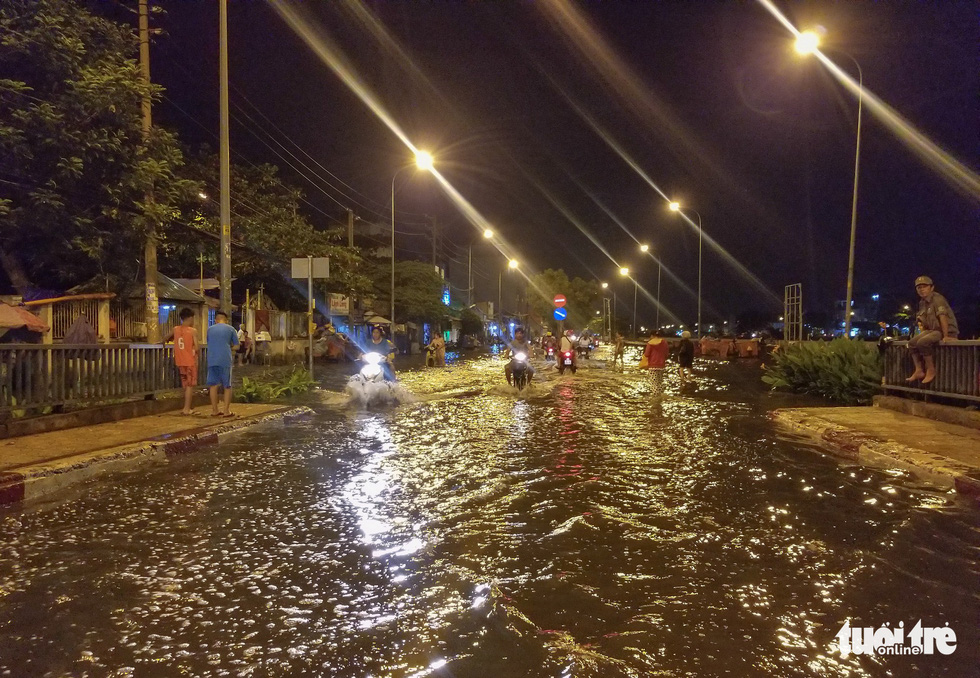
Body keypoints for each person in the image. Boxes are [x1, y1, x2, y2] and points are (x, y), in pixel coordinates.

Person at [907, 276, 958, 384]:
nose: (921, 289)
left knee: (923, 342)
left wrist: (946, 335)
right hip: (932, 330)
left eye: (924, 286)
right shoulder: (922, 303)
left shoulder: (938, 299)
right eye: (919, 287)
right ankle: (919, 370)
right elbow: (924, 320)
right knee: (911, 343)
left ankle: (931, 370)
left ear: (932, 287)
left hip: (944, 330)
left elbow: (943, 317)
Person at [163, 308, 199, 415]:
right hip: (190, 361)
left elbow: (165, 338)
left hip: (179, 361)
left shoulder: (176, 329)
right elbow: (196, 347)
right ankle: (187, 409)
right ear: (190, 318)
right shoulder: (193, 331)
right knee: (189, 386)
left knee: (185, 385)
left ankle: (186, 408)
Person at [206, 310, 239, 416]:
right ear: (226, 320)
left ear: (216, 320)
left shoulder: (209, 330)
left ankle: (215, 410)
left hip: (212, 359)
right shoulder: (231, 329)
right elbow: (237, 346)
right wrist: (230, 348)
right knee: (227, 386)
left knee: (213, 385)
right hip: (225, 359)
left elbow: (209, 342)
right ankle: (226, 411)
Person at [643, 330, 670, 395]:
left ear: (652, 335)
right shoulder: (664, 342)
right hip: (661, 365)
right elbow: (666, 354)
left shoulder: (650, 343)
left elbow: (646, 354)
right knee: (659, 382)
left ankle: (656, 399)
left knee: (654, 384)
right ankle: (660, 396)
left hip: (653, 366)